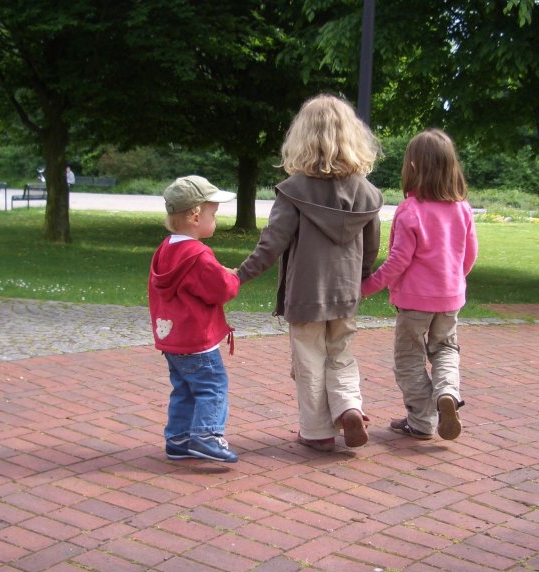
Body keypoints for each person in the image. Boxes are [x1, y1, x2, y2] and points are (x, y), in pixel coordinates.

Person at [236, 94, 383, 452]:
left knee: (309, 359)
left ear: (302, 138)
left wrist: (240, 275)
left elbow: (273, 243)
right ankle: (349, 405)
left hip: (306, 294)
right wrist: (360, 280)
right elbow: (372, 246)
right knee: (341, 353)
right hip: (346, 293)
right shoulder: (366, 193)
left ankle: (317, 432)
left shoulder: (293, 191)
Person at [361, 129, 478, 441]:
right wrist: (454, 281)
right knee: (445, 349)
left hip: (414, 302)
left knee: (409, 359)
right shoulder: (462, 208)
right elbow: (470, 254)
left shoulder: (410, 211)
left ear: (412, 167)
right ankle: (448, 395)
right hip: (450, 299)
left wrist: (367, 287)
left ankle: (422, 421)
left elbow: (399, 261)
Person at [149, 175, 240, 462]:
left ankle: (178, 438)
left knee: (185, 389)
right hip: (197, 340)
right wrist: (232, 276)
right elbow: (220, 289)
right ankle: (206, 436)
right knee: (212, 386)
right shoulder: (198, 254)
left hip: (172, 339)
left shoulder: (167, 249)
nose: (216, 218)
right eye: (213, 213)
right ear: (195, 215)